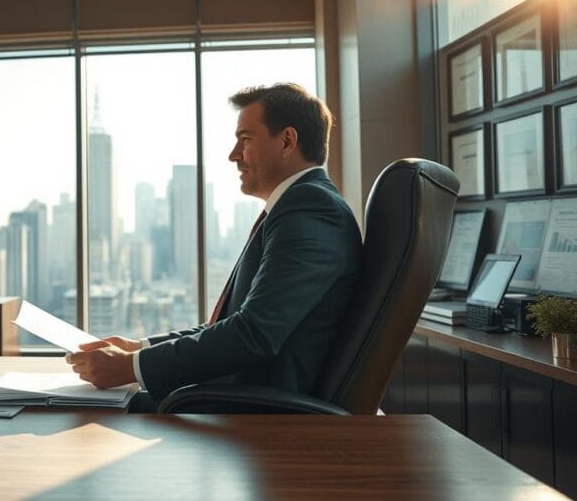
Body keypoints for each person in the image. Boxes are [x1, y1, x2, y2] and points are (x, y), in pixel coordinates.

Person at [66, 82, 362, 410]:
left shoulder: (310, 208)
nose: (233, 155)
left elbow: (253, 335)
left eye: (245, 140)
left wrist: (130, 366)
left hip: (256, 412)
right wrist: (139, 348)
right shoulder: (297, 207)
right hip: (236, 394)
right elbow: (231, 324)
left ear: (287, 141)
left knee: (76, 410)